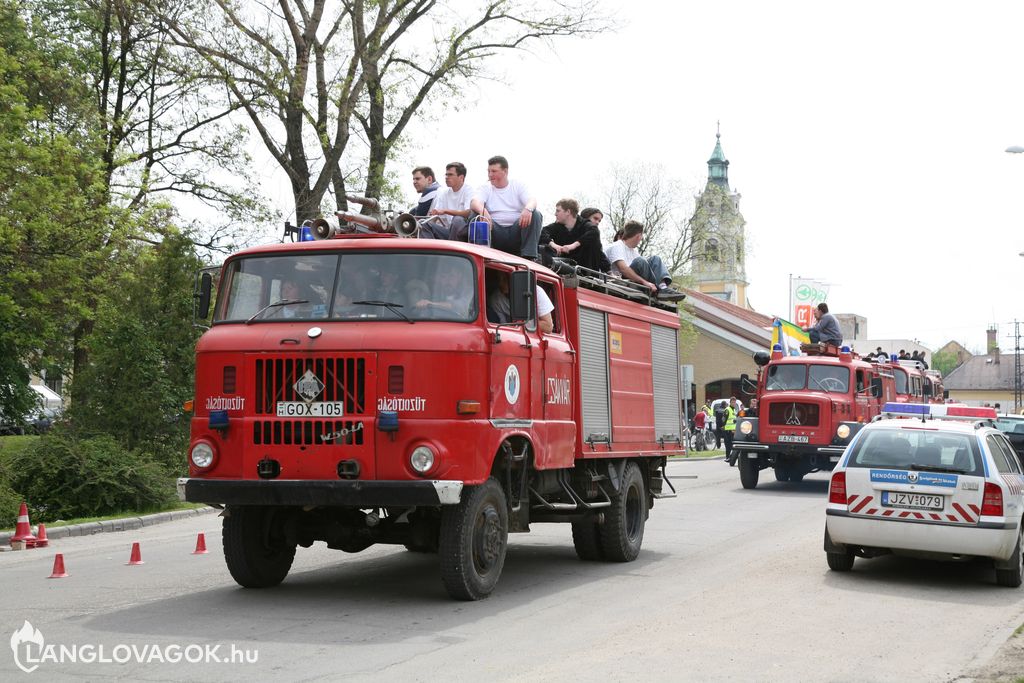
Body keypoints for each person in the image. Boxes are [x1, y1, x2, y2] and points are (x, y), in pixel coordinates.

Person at [470, 156, 543, 261]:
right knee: (476, 215)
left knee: (535, 213)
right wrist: (483, 211)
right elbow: (474, 202)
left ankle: (529, 257)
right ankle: (481, 254)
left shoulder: (517, 185)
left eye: (494, 171)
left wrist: (528, 209)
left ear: (505, 171)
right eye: (489, 171)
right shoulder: (485, 187)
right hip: (494, 231)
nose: (490, 175)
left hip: (516, 231)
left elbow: (532, 200)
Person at [603, 220, 685, 301]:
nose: (641, 239)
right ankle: (660, 290)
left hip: (633, 280)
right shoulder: (617, 246)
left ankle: (663, 287)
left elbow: (645, 269)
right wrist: (645, 282)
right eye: (642, 236)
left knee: (655, 259)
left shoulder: (634, 251)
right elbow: (623, 269)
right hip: (622, 280)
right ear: (638, 236)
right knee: (640, 261)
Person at [540, 198, 612, 273]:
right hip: (563, 266)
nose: (555, 214)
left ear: (568, 212)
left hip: (585, 268)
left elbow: (594, 232)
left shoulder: (584, 225)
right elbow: (543, 232)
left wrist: (572, 246)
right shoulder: (557, 226)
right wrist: (553, 244)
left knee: (593, 241)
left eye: (558, 211)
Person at [486, 272, 553, 333]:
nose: (500, 283)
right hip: (514, 336)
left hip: (536, 337)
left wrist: (520, 324)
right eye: (499, 279)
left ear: (515, 279)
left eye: (504, 279)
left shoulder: (536, 292)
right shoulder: (495, 299)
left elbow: (548, 327)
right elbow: (502, 326)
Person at [429, 162, 473, 240]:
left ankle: (453, 250)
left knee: (457, 220)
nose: (446, 177)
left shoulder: (469, 190)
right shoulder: (443, 192)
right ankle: (428, 251)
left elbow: (468, 213)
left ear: (461, 177)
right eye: (446, 174)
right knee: (425, 225)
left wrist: (446, 211)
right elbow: (436, 216)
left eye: (450, 175)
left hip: (464, 233)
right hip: (449, 232)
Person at [723, 398, 738, 465]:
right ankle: (727, 457)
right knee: (728, 444)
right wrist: (723, 427)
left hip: (733, 430)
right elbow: (724, 419)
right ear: (730, 402)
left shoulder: (734, 410)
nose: (734, 404)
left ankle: (731, 457)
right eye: (732, 402)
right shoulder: (727, 410)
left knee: (732, 444)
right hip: (728, 430)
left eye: (735, 402)